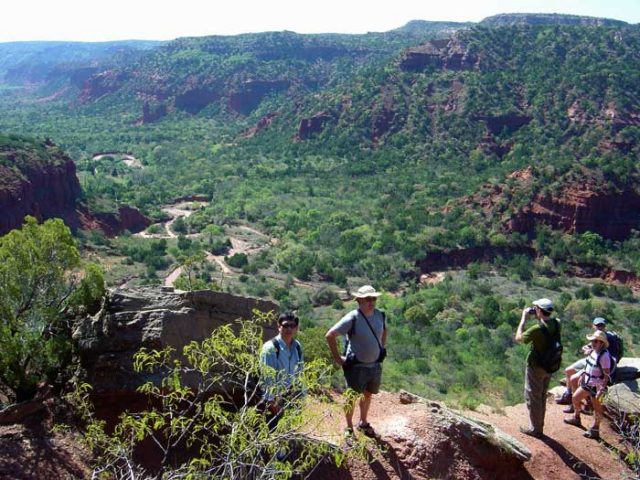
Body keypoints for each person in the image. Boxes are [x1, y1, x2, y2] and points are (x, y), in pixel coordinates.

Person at [326, 285, 387, 439]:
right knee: (351, 396)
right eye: (368, 299)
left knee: (367, 394)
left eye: (373, 298)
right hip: (356, 366)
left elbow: (385, 330)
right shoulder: (353, 317)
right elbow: (330, 335)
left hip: (374, 365)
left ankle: (363, 422)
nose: (371, 301)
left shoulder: (380, 315)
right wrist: (338, 358)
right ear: (359, 300)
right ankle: (348, 427)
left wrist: (381, 347)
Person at [515, 298, 560, 438]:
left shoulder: (536, 329)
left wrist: (523, 318)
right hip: (550, 365)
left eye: (536, 308)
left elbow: (519, 339)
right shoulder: (557, 323)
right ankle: (539, 425)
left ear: (540, 310)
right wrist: (538, 317)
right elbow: (546, 328)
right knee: (541, 396)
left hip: (536, 366)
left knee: (533, 396)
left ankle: (536, 429)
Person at [556, 317, 621, 407]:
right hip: (591, 359)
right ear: (593, 326)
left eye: (601, 325)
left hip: (599, 363)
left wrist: (597, 355)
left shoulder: (609, 338)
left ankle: (576, 403)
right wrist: (588, 349)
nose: (600, 327)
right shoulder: (595, 336)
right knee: (568, 370)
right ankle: (568, 394)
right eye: (597, 325)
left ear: (605, 326)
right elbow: (587, 346)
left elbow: (613, 358)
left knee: (576, 379)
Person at [563, 330, 611, 440]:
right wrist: (583, 375)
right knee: (575, 398)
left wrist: (601, 388)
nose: (593, 343)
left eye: (596, 341)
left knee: (597, 408)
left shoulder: (604, 356)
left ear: (601, 343)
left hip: (596, 385)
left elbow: (606, 375)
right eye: (592, 341)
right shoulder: (594, 351)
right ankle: (577, 417)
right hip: (588, 382)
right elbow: (589, 366)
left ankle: (595, 429)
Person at [260, 312, 304, 424]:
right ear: (279, 326)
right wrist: (274, 407)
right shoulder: (271, 348)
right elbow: (267, 380)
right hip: (273, 402)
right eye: (285, 325)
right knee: (271, 435)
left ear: (296, 328)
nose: (289, 328)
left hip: (291, 399)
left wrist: (301, 398)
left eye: (292, 326)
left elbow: (300, 373)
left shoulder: (297, 346)